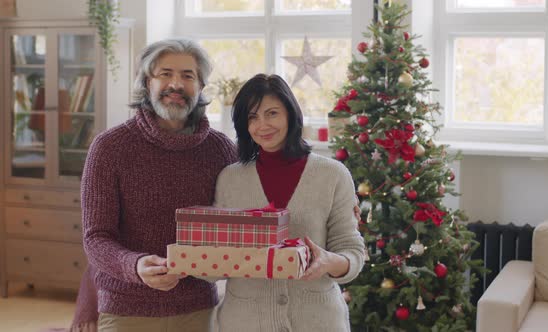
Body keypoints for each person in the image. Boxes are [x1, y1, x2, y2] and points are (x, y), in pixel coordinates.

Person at [80, 38, 237, 332]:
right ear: (147, 83)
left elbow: (238, 220)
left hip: (199, 310)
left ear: (201, 87)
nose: (176, 84)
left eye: (187, 76)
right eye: (165, 73)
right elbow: (95, 238)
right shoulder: (109, 147)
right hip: (126, 309)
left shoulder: (222, 150)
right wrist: (136, 266)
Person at [213, 73, 365, 332]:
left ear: (290, 114)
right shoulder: (230, 179)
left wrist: (327, 261)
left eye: (272, 113)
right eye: (253, 117)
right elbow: (216, 256)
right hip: (245, 321)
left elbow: (352, 252)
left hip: (317, 320)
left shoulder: (333, 174)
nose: (262, 125)